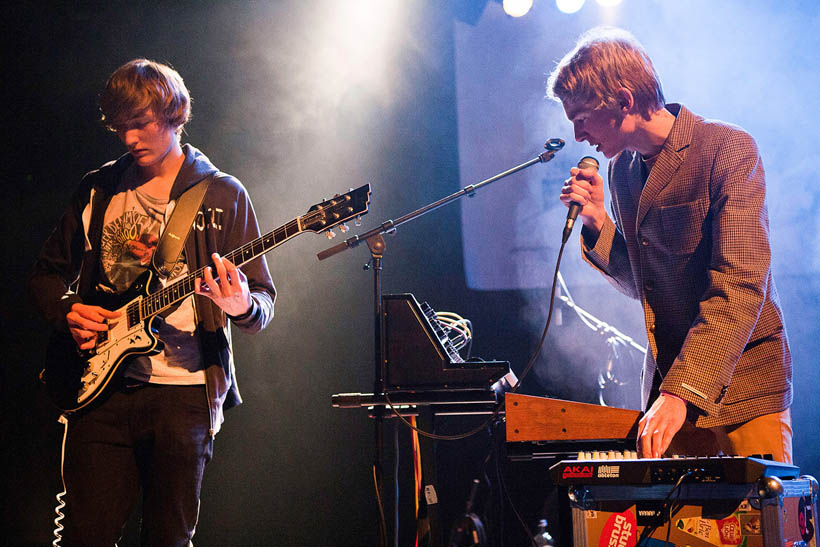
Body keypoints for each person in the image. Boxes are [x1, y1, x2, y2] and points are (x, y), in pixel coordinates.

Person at [29, 59, 276, 545]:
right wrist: (66, 311)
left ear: (174, 115)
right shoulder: (98, 187)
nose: (128, 139)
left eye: (139, 124)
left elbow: (262, 303)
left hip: (183, 396)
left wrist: (239, 304)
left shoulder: (223, 195)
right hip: (98, 389)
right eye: (120, 127)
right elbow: (44, 274)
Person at [547, 28, 792, 461]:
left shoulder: (726, 148)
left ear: (624, 101)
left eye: (581, 117)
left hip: (743, 388)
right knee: (676, 529)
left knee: (762, 524)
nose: (578, 134)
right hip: (672, 386)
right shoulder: (623, 171)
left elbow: (740, 287)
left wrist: (680, 393)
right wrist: (598, 222)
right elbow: (645, 284)